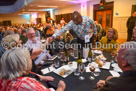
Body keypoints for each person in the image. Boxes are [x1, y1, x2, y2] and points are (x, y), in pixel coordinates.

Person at [0, 48, 66, 91]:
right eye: (29, 58)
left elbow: (29, 73)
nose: (31, 59)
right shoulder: (27, 86)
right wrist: (60, 88)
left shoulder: (5, 75)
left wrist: (42, 77)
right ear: (23, 65)